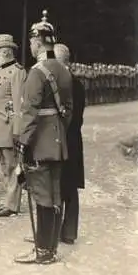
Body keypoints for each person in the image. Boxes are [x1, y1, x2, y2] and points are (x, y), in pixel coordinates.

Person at [14, 10, 73, 264]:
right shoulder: (63, 70)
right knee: (55, 196)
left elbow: (29, 112)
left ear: (38, 42)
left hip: (39, 144)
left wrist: (22, 142)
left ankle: (42, 251)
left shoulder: (37, 72)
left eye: (31, 42)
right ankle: (50, 249)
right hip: (59, 143)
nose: (30, 45)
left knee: (41, 198)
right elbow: (67, 111)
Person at [0, 34, 27, 216]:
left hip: (9, 128)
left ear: (6, 53)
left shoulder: (17, 72)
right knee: (4, 165)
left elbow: (19, 104)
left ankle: (12, 204)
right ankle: (9, 200)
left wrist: (17, 131)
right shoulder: (0, 71)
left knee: (12, 165)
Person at [54, 43, 85, 244]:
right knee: (69, 187)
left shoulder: (63, 83)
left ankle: (55, 231)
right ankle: (68, 232)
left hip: (63, 139)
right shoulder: (76, 83)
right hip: (72, 140)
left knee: (59, 185)